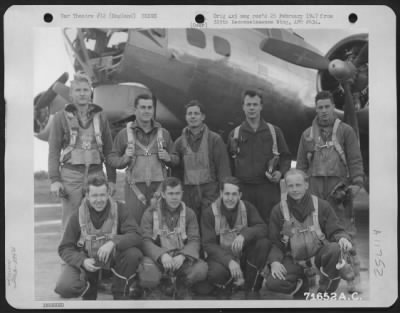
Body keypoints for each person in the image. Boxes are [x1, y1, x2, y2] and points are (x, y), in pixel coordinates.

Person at [296, 90, 364, 292]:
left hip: (339, 192)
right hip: (315, 191)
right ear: (315, 109)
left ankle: (354, 279)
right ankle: (316, 279)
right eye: (320, 107)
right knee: (314, 235)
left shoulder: (346, 131)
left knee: (345, 234)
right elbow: (300, 165)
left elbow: (354, 159)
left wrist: (357, 183)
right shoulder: (307, 135)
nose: (324, 111)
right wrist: (299, 190)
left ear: (333, 107)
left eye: (327, 107)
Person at [264, 169, 353, 297]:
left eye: (298, 185)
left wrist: (343, 239)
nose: (295, 189)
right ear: (286, 187)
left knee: (335, 249)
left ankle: (325, 292)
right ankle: (303, 283)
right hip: (294, 260)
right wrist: (274, 261)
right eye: (291, 186)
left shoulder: (322, 206)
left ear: (306, 185)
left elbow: (336, 230)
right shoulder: (278, 211)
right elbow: (275, 243)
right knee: (273, 283)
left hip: (318, 257)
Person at [54, 176, 143, 300]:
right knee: (65, 287)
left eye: (102, 195)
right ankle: (89, 288)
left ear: (108, 194)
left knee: (133, 253)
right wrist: (82, 261)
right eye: (94, 196)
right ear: (87, 196)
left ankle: (120, 293)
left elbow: (136, 235)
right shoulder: (77, 215)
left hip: (113, 260)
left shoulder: (120, 209)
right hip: (88, 261)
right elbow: (65, 248)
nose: (99, 200)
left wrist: (113, 242)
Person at [48, 72, 116, 231]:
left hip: (96, 174)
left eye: (85, 90)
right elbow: (54, 152)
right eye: (78, 90)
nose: (82, 93)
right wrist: (55, 180)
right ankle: (69, 254)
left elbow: (109, 151)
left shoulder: (101, 118)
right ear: (71, 94)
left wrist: (112, 179)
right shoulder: (60, 118)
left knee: (98, 219)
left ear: (90, 92)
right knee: (71, 221)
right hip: (71, 176)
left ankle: (95, 254)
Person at [109, 94, 178, 224]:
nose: (146, 111)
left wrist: (169, 158)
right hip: (134, 189)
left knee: (159, 227)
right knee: (134, 227)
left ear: (153, 110)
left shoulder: (164, 134)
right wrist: (124, 159)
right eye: (143, 107)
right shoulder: (124, 134)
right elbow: (112, 158)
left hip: (159, 189)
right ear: (135, 110)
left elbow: (176, 159)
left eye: (149, 107)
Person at [201, 176, 272, 299]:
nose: (230, 198)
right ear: (221, 193)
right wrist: (229, 261)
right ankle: (227, 286)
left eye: (234, 194)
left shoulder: (247, 207)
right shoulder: (209, 213)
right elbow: (208, 244)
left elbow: (262, 228)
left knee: (263, 243)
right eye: (227, 194)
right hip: (221, 258)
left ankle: (251, 288)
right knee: (216, 274)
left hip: (243, 256)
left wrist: (245, 234)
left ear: (240, 195)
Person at [227, 90, 291, 224]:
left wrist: (280, 173)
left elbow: (285, 157)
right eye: (248, 104)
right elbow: (230, 163)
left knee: (271, 225)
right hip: (244, 190)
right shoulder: (235, 134)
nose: (251, 108)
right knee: (245, 225)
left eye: (255, 104)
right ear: (243, 107)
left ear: (261, 106)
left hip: (268, 190)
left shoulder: (274, 131)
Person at [138, 177, 208, 299]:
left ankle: (181, 286)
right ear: (163, 194)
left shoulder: (189, 213)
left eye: (177, 193)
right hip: (158, 260)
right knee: (147, 269)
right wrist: (162, 255)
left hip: (180, 259)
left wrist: (183, 256)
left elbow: (195, 240)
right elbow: (145, 241)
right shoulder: (150, 213)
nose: (174, 197)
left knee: (201, 268)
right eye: (170, 193)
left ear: (182, 194)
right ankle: (157, 288)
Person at [174, 100, 231, 220]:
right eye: (189, 114)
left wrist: (225, 193)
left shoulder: (215, 139)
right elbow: (176, 172)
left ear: (203, 117)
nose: (193, 116)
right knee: (190, 226)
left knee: (210, 225)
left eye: (196, 113)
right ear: (186, 117)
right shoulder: (179, 142)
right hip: (188, 193)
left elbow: (223, 169)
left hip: (210, 192)